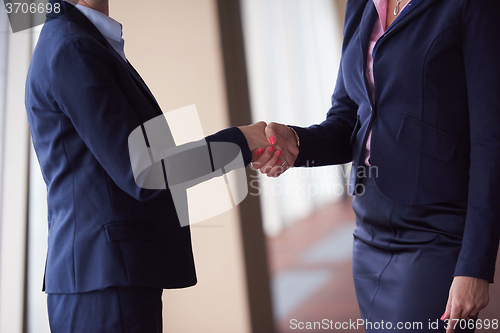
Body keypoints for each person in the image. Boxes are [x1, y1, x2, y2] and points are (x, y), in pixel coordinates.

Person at [25, 0, 277, 332]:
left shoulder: (82, 39)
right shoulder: (73, 47)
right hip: (104, 284)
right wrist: (240, 141)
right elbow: (142, 171)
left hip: (107, 276)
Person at [253, 0, 500, 332]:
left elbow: (491, 141)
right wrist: (297, 141)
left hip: (437, 228)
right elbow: (348, 118)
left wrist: (476, 265)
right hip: (369, 228)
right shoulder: (362, 5)